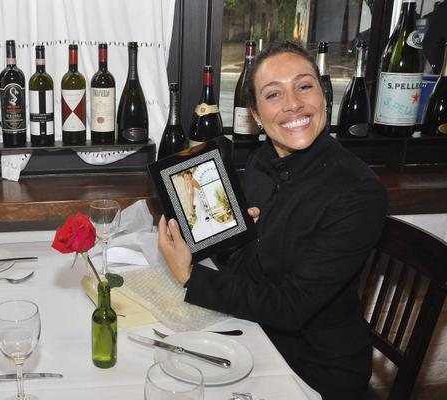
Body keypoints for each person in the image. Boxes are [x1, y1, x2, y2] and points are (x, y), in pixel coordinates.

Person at [158, 42, 387, 399]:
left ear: (324, 95)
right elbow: (251, 267)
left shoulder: (357, 193)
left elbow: (292, 307)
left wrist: (190, 276)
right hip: (257, 334)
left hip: (316, 370)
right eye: (274, 94)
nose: (293, 103)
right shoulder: (264, 162)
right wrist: (222, 232)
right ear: (257, 113)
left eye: (304, 86)